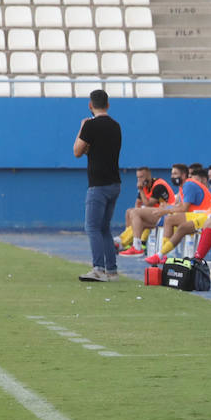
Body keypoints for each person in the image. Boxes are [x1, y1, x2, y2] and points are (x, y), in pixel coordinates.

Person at [73, 89, 123, 283]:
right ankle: (111, 270)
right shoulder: (116, 126)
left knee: (92, 227)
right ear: (108, 104)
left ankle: (99, 269)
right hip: (114, 182)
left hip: (98, 183)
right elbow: (101, 151)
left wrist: (82, 127)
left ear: (90, 105)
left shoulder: (90, 126)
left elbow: (77, 151)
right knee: (104, 228)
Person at [143, 164, 211, 264]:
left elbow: (184, 208)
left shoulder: (188, 185)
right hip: (198, 214)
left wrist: (164, 211)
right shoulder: (184, 186)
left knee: (169, 219)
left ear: (183, 175)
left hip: (205, 215)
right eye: (172, 174)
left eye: (175, 174)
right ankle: (164, 254)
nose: (172, 177)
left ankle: (163, 254)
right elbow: (181, 206)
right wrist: (167, 209)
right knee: (170, 219)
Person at [116, 166, 176, 253]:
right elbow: (138, 204)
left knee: (139, 215)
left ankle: (129, 242)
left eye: (141, 177)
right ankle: (128, 242)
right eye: (138, 177)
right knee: (130, 212)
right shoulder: (144, 186)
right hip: (155, 213)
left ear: (148, 176)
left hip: (167, 213)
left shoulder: (159, 186)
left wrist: (140, 190)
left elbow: (148, 204)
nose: (139, 180)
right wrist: (134, 217)